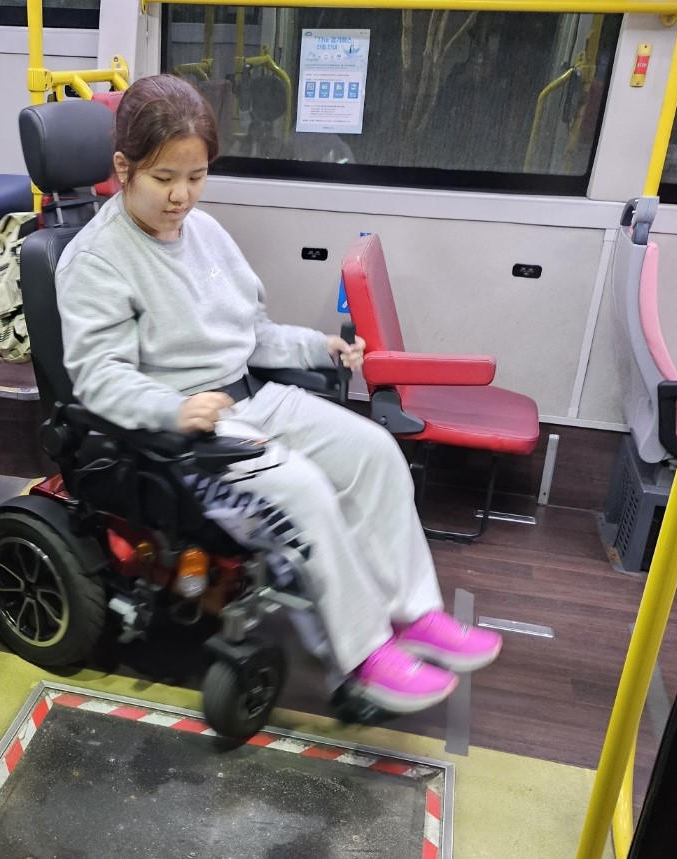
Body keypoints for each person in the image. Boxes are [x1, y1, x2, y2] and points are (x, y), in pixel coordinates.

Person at [56, 74, 501, 715]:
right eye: (163, 179)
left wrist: (318, 347)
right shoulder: (96, 259)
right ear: (124, 168)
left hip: (252, 400)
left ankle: (415, 612)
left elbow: (252, 334)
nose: (182, 196)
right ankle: (364, 656)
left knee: (375, 452)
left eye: (197, 176)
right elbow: (99, 377)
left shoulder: (206, 233)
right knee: (307, 491)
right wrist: (175, 409)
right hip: (186, 438)